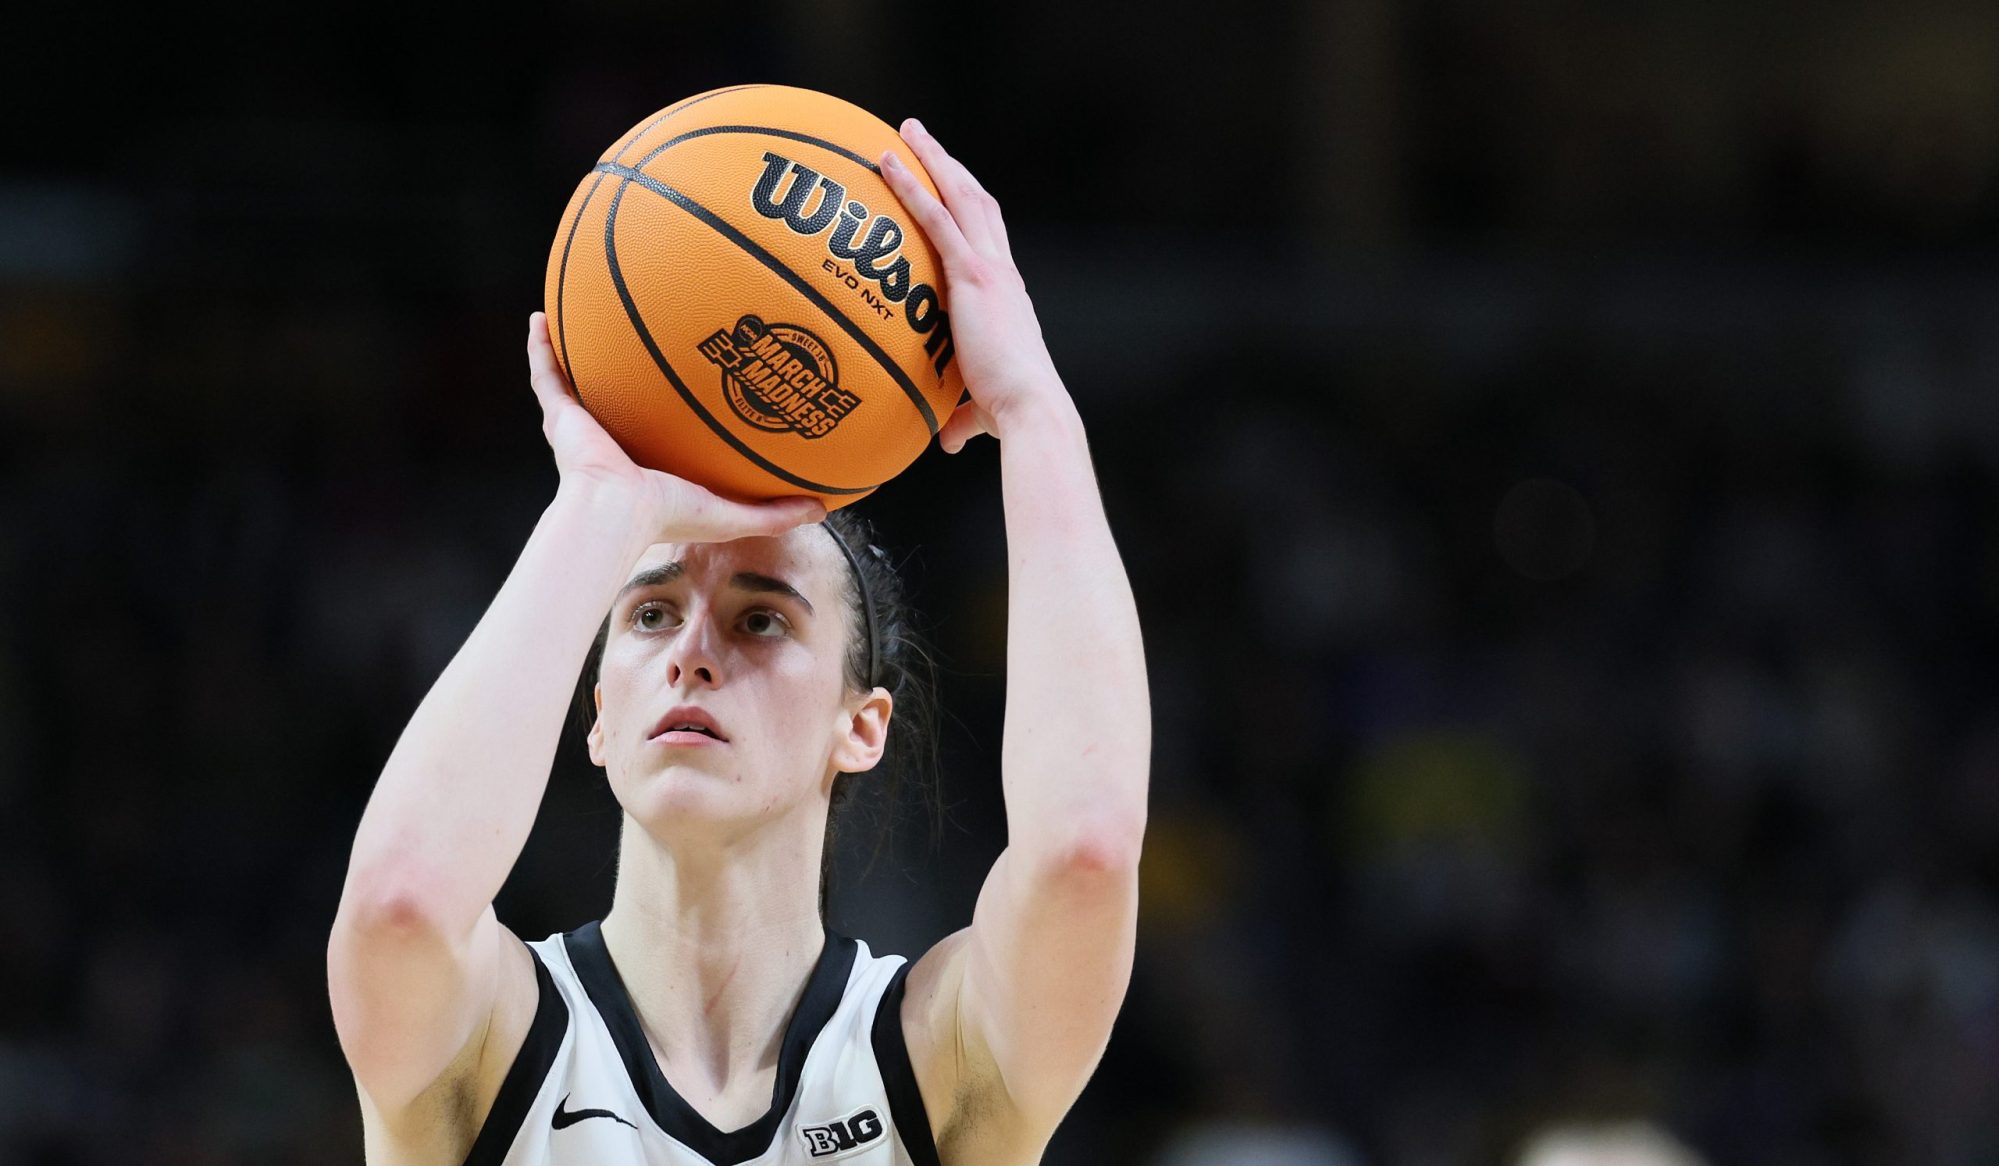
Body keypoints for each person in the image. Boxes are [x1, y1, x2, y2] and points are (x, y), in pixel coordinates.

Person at [326, 116, 1151, 1165]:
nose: (692, 651)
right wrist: (602, 507)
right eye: (650, 612)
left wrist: (1035, 411)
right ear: (593, 715)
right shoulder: (493, 1038)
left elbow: (1083, 852)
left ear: (861, 726)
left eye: (762, 615)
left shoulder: (932, 1058)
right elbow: (399, 898)